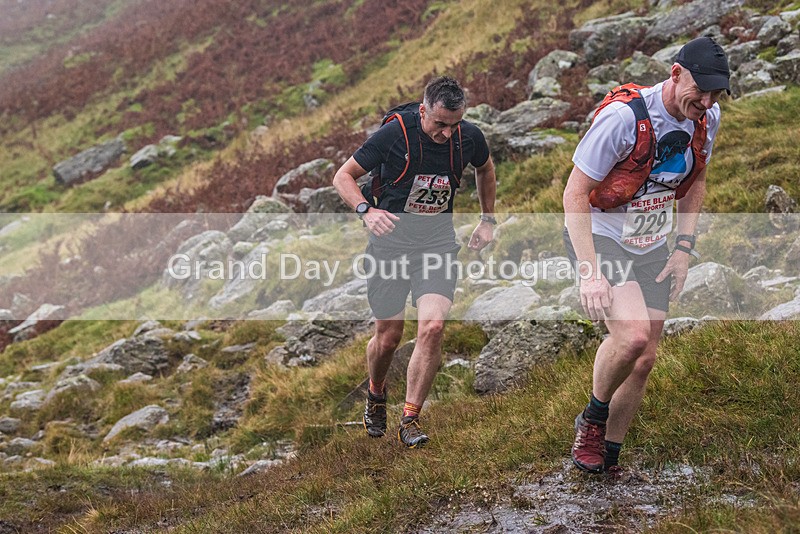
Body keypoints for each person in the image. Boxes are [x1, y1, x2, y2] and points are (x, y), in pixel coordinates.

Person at [562, 37, 730, 474]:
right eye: (701, 91)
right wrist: (590, 273)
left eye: (716, 93)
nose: (708, 102)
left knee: (646, 357)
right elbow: (574, 193)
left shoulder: (706, 119)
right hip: (601, 234)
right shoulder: (623, 119)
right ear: (676, 74)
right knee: (633, 336)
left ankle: (609, 457)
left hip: (652, 242)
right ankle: (591, 421)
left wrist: (684, 249)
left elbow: (695, 182)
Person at [332, 76, 497, 448]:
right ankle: (376, 394)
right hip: (389, 246)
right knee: (388, 338)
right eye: (439, 124)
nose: (446, 133)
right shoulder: (395, 136)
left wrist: (488, 219)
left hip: (436, 244)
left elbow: (485, 169)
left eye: (454, 125)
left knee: (433, 327)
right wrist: (365, 210)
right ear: (423, 111)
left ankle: (410, 417)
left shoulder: (468, 137)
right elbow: (342, 176)